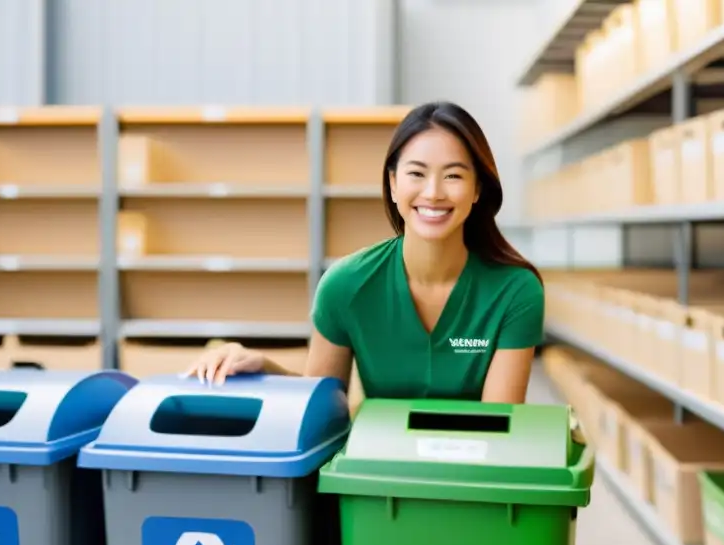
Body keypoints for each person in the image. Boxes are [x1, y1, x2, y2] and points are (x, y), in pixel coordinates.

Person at [184, 101, 546, 404]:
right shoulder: (346, 285)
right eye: (416, 174)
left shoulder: (515, 291)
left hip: (473, 480)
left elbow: (499, 428)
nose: (434, 192)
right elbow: (321, 402)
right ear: (392, 183)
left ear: (477, 188)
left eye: (453, 176)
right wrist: (260, 364)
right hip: (377, 476)